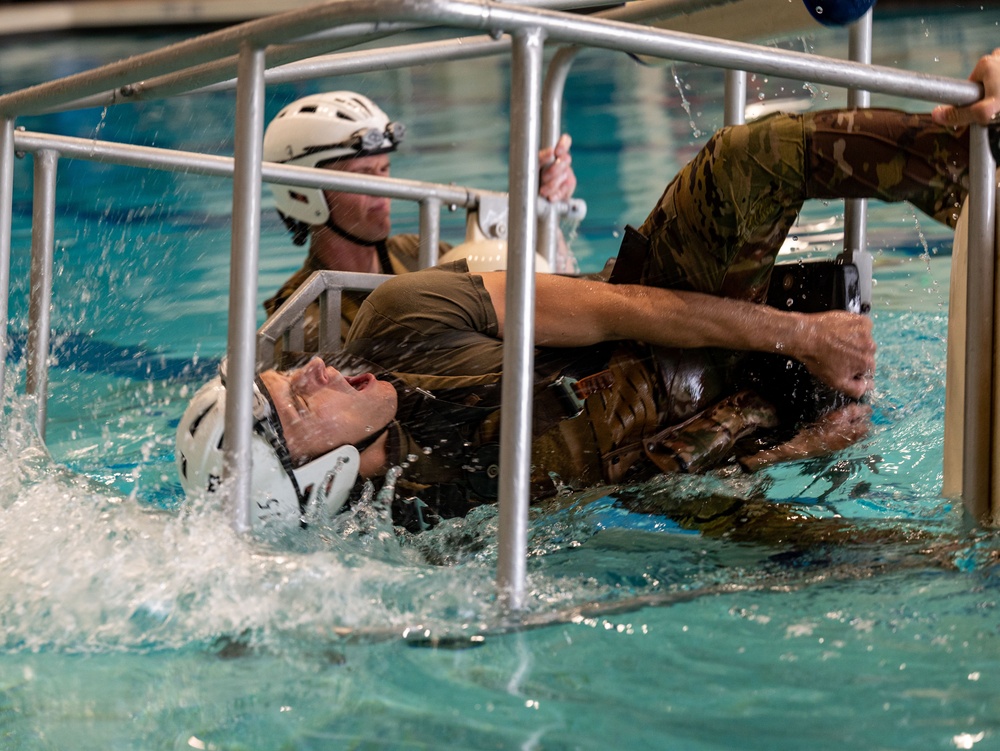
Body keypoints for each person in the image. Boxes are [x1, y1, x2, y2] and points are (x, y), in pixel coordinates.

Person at [178, 52, 1000, 536]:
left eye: (288, 373)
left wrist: (796, 335)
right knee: (862, 558)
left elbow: (612, 306)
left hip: (661, 332)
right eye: (293, 398)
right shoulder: (431, 516)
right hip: (701, 441)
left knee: (749, 158)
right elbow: (624, 489)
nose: (311, 367)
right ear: (316, 474)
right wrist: (781, 453)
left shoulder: (401, 312)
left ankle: (972, 161)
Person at [261, 91, 578, 346]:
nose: (383, 189)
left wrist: (540, 207)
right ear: (303, 192)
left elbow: (548, 290)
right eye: (362, 176)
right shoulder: (301, 319)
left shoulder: (413, 252)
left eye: (383, 170)